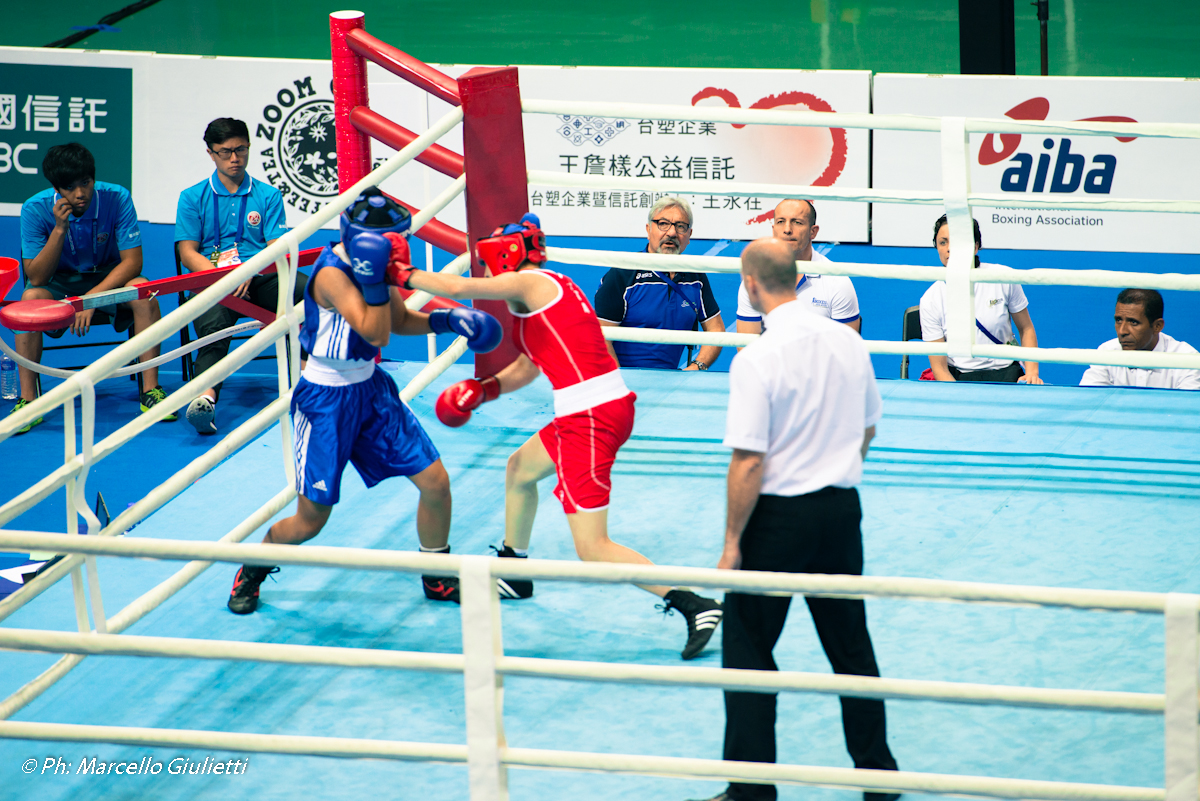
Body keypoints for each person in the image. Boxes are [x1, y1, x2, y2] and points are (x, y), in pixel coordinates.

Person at [402, 213, 724, 661]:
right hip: (590, 410)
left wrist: (401, 272)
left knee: (593, 547)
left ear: (509, 253)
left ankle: (694, 604)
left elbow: (458, 290)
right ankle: (515, 569)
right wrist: (485, 389)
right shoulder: (543, 295)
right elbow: (529, 366)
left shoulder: (533, 283)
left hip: (591, 417)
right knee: (519, 469)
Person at [226, 188, 502, 614]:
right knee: (311, 521)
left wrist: (449, 320)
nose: (397, 248)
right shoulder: (333, 275)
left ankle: (437, 575)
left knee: (435, 483)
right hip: (325, 400)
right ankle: (254, 566)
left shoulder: (378, 267)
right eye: (389, 241)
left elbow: (397, 320)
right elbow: (376, 334)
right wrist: (377, 280)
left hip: (371, 390)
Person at [698, 237, 899, 801]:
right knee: (851, 649)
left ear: (752, 285)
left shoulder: (757, 356)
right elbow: (868, 430)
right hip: (840, 513)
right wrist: (833, 470)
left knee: (748, 650)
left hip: (777, 521)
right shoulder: (847, 342)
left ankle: (751, 790)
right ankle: (880, 780)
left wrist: (732, 542)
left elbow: (748, 461)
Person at [12, 142, 172, 434]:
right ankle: (28, 400)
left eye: (85, 183)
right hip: (60, 282)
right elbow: (36, 277)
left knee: (144, 291)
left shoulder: (117, 197)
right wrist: (60, 229)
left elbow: (133, 262)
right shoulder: (35, 209)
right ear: (56, 188)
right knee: (29, 299)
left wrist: (90, 298)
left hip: (108, 278)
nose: (80, 194)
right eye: (70, 187)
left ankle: (151, 392)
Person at [176, 118, 309, 435]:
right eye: (225, 152)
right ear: (211, 153)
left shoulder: (268, 195)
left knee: (310, 293)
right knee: (213, 326)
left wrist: (251, 270)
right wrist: (224, 278)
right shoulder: (192, 197)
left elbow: (277, 248)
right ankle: (204, 399)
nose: (234, 158)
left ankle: (309, 383)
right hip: (214, 280)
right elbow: (188, 253)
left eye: (241, 150)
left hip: (261, 275)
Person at [594, 196, 725, 370]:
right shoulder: (622, 274)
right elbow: (599, 338)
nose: (671, 233)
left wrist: (696, 367)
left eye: (680, 226)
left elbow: (716, 329)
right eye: (663, 223)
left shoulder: (695, 277)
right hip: (625, 383)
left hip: (670, 387)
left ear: (689, 235)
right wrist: (621, 386)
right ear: (648, 230)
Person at [920, 214, 1042, 383]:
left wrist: (1032, 374)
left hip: (1007, 372)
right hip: (960, 378)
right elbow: (939, 368)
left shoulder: (1003, 277)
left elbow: (1026, 328)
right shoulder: (930, 299)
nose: (949, 248)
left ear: (975, 246)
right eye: (943, 242)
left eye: (956, 241)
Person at [735, 199, 861, 337]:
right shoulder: (755, 280)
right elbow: (746, 348)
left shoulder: (837, 282)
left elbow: (845, 351)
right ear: (773, 229)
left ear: (813, 232)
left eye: (797, 222)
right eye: (780, 222)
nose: (787, 230)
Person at [1080, 288, 1200, 390]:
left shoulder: (1187, 359)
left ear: (1157, 326)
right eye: (1118, 320)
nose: (1122, 331)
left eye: (1133, 322)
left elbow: (1186, 412)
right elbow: (1089, 402)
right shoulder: (1107, 352)